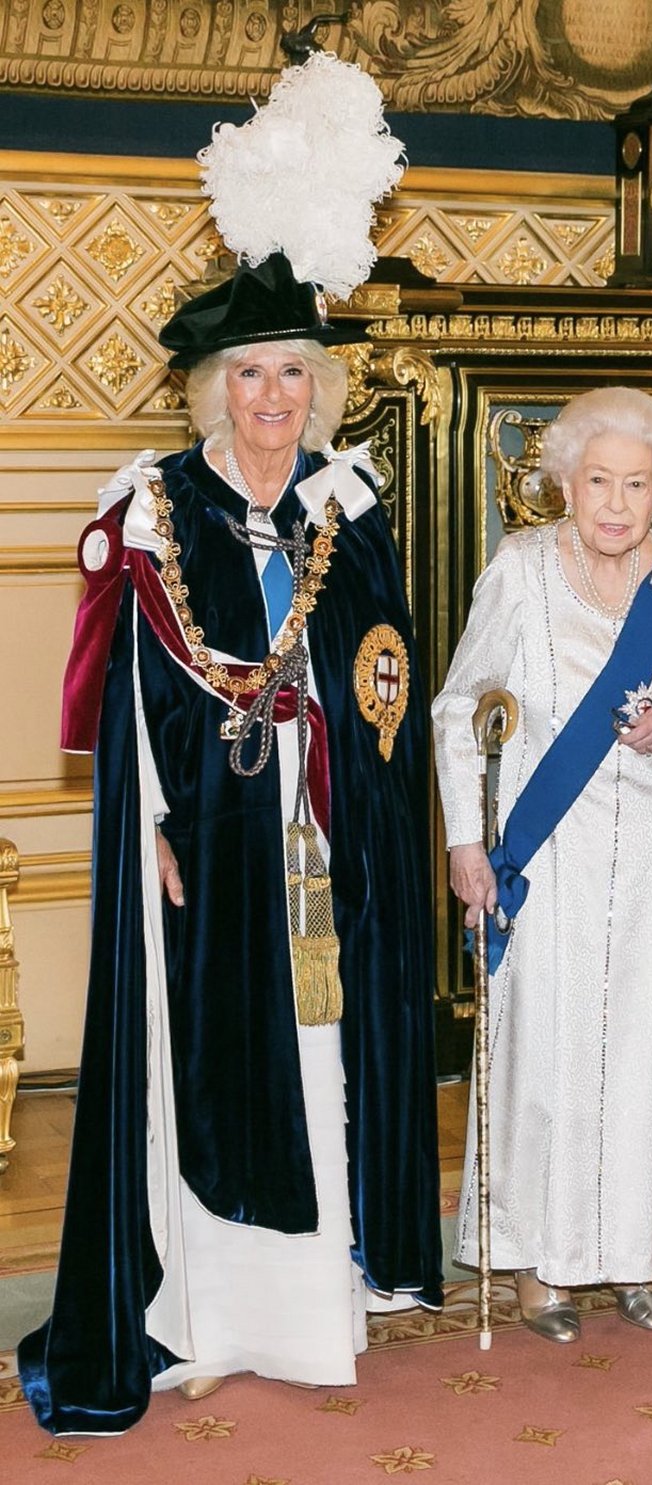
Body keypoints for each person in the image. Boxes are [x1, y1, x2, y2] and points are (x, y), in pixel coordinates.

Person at [19, 251, 442, 1434]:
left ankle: (318, 1310)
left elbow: (385, 678)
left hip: (323, 842)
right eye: (249, 372)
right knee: (212, 1065)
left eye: (293, 373)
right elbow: (122, 686)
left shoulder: (346, 508)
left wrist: (368, 810)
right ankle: (207, 1317)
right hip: (205, 837)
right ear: (213, 387)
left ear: (320, 385)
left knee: (318, 1057)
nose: (272, 396)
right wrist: (145, 823)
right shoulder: (153, 506)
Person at [432, 386, 652, 1342]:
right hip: (548, 859)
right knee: (547, 1058)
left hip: (651, 860)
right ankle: (540, 1267)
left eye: (636, 484)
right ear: (565, 482)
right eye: (598, 480)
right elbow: (455, 707)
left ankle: (633, 1254)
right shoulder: (521, 571)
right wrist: (464, 839)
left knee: (645, 1053)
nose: (616, 501)